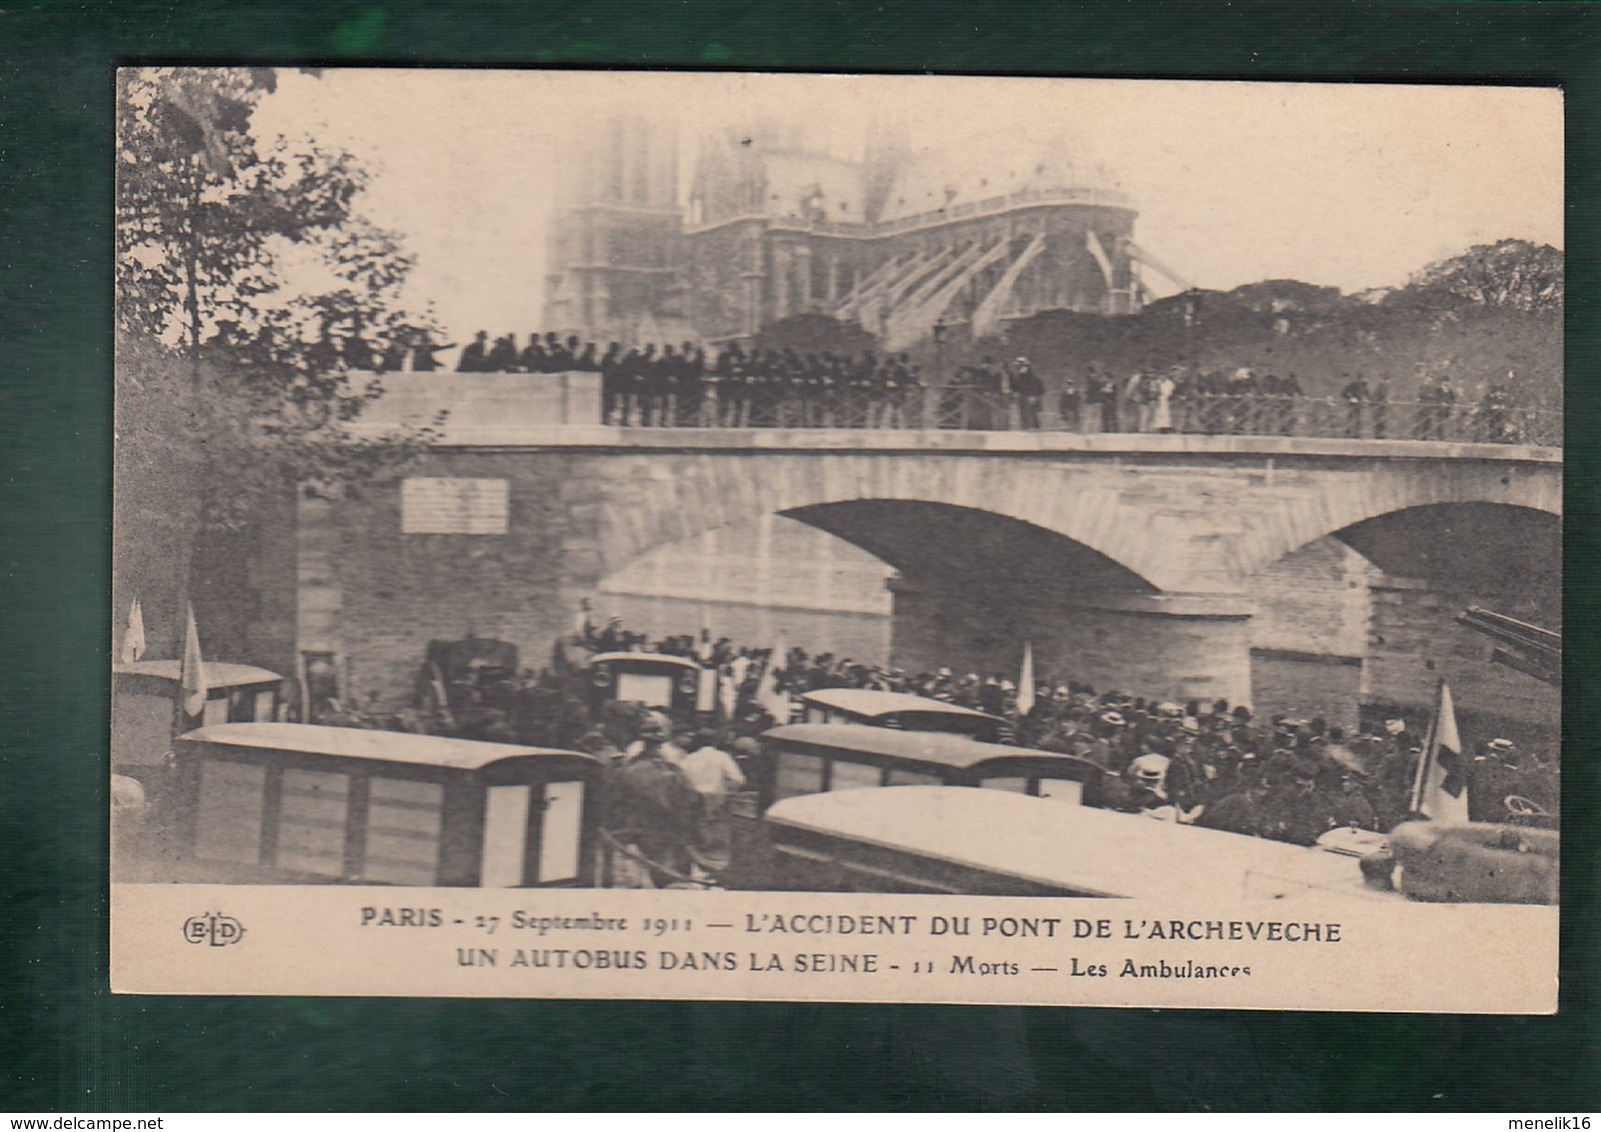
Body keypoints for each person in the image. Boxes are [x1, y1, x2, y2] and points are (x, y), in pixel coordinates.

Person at [608, 716, 698, 887]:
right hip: (664, 831)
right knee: (666, 877)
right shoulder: (673, 771)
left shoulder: (627, 770)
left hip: (635, 832)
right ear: (661, 743)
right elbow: (688, 801)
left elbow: (617, 803)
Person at [678, 728, 747, 874]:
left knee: (698, 835)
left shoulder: (688, 759)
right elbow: (739, 779)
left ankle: (700, 868)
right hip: (718, 799)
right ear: (714, 741)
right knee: (717, 834)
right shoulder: (721, 757)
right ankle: (718, 867)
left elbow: (680, 780)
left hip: (694, 799)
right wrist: (729, 790)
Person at [1011, 357, 1044, 430]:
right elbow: (1014, 387)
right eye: (1019, 367)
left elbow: (1039, 388)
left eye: (1022, 367)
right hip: (1022, 399)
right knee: (1023, 415)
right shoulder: (1018, 377)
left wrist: (1033, 396)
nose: (1021, 369)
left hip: (1030, 399)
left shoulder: (1033, 378)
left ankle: (1034, 428)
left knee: (1032, 415)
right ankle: (1025, 428)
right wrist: (1015, 393)